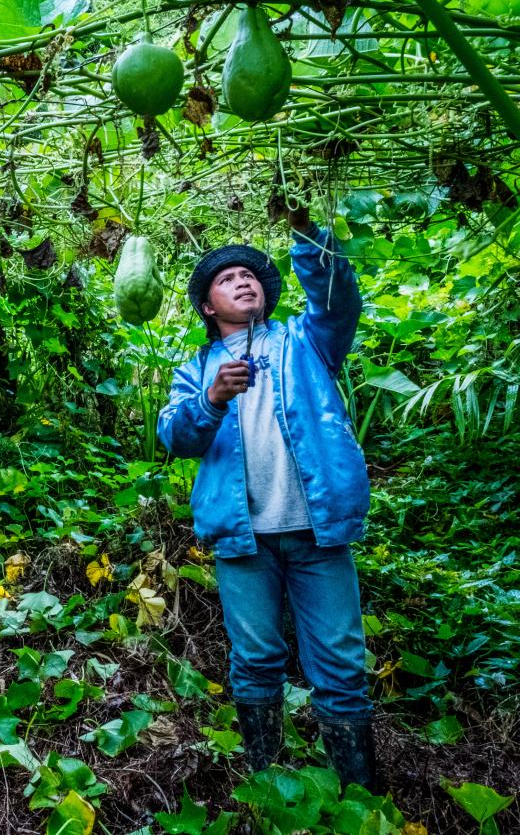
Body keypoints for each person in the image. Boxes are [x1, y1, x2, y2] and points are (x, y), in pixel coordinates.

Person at [156, 203, 377, 790]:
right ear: (209, 306)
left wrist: (307, 232)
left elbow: (337, 300)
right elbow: (175, 436)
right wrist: (211, 399)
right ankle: (269, 788)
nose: (242, 280)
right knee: (255, 664)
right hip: (242, 539)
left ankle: (358, 795)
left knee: (341, 667)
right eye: (227, 279)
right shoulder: (196, 368)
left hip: (318, 533)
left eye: (249, 275)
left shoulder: (307, 343)